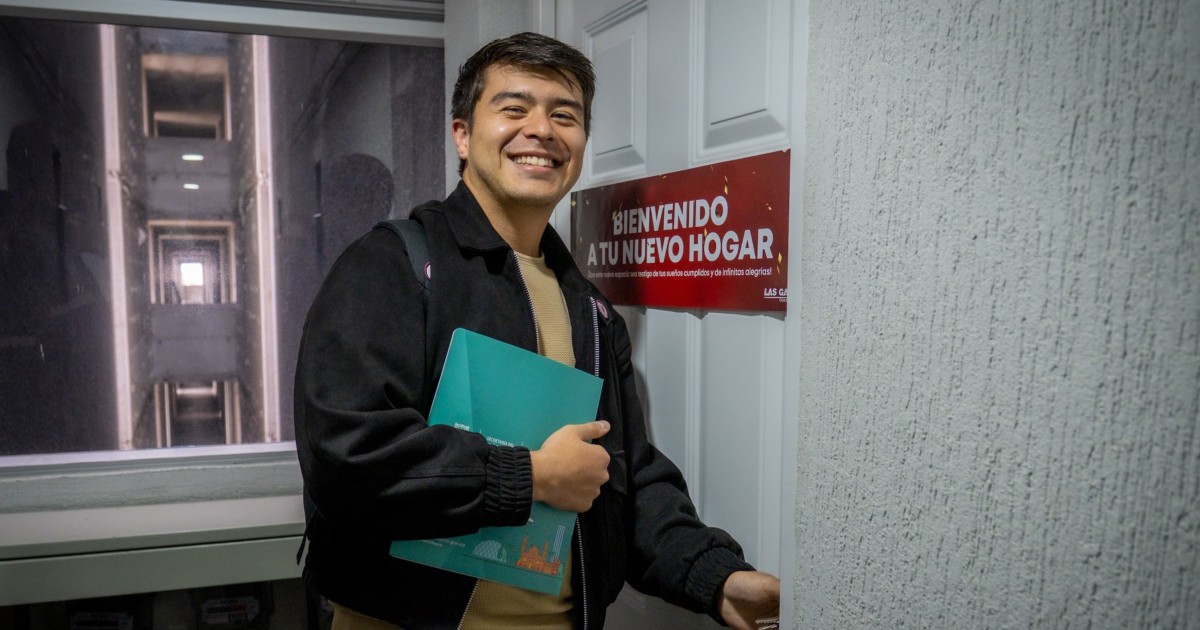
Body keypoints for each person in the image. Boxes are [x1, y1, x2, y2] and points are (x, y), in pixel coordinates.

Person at [294, 31, 781, 630]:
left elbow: (625, 478)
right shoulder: (393, 266)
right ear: (463, 135)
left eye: (565, 115)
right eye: (514, 108)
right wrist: (530, 477)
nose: (542, 130)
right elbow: (346, 456)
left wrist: (716, 580)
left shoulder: (592, 312)